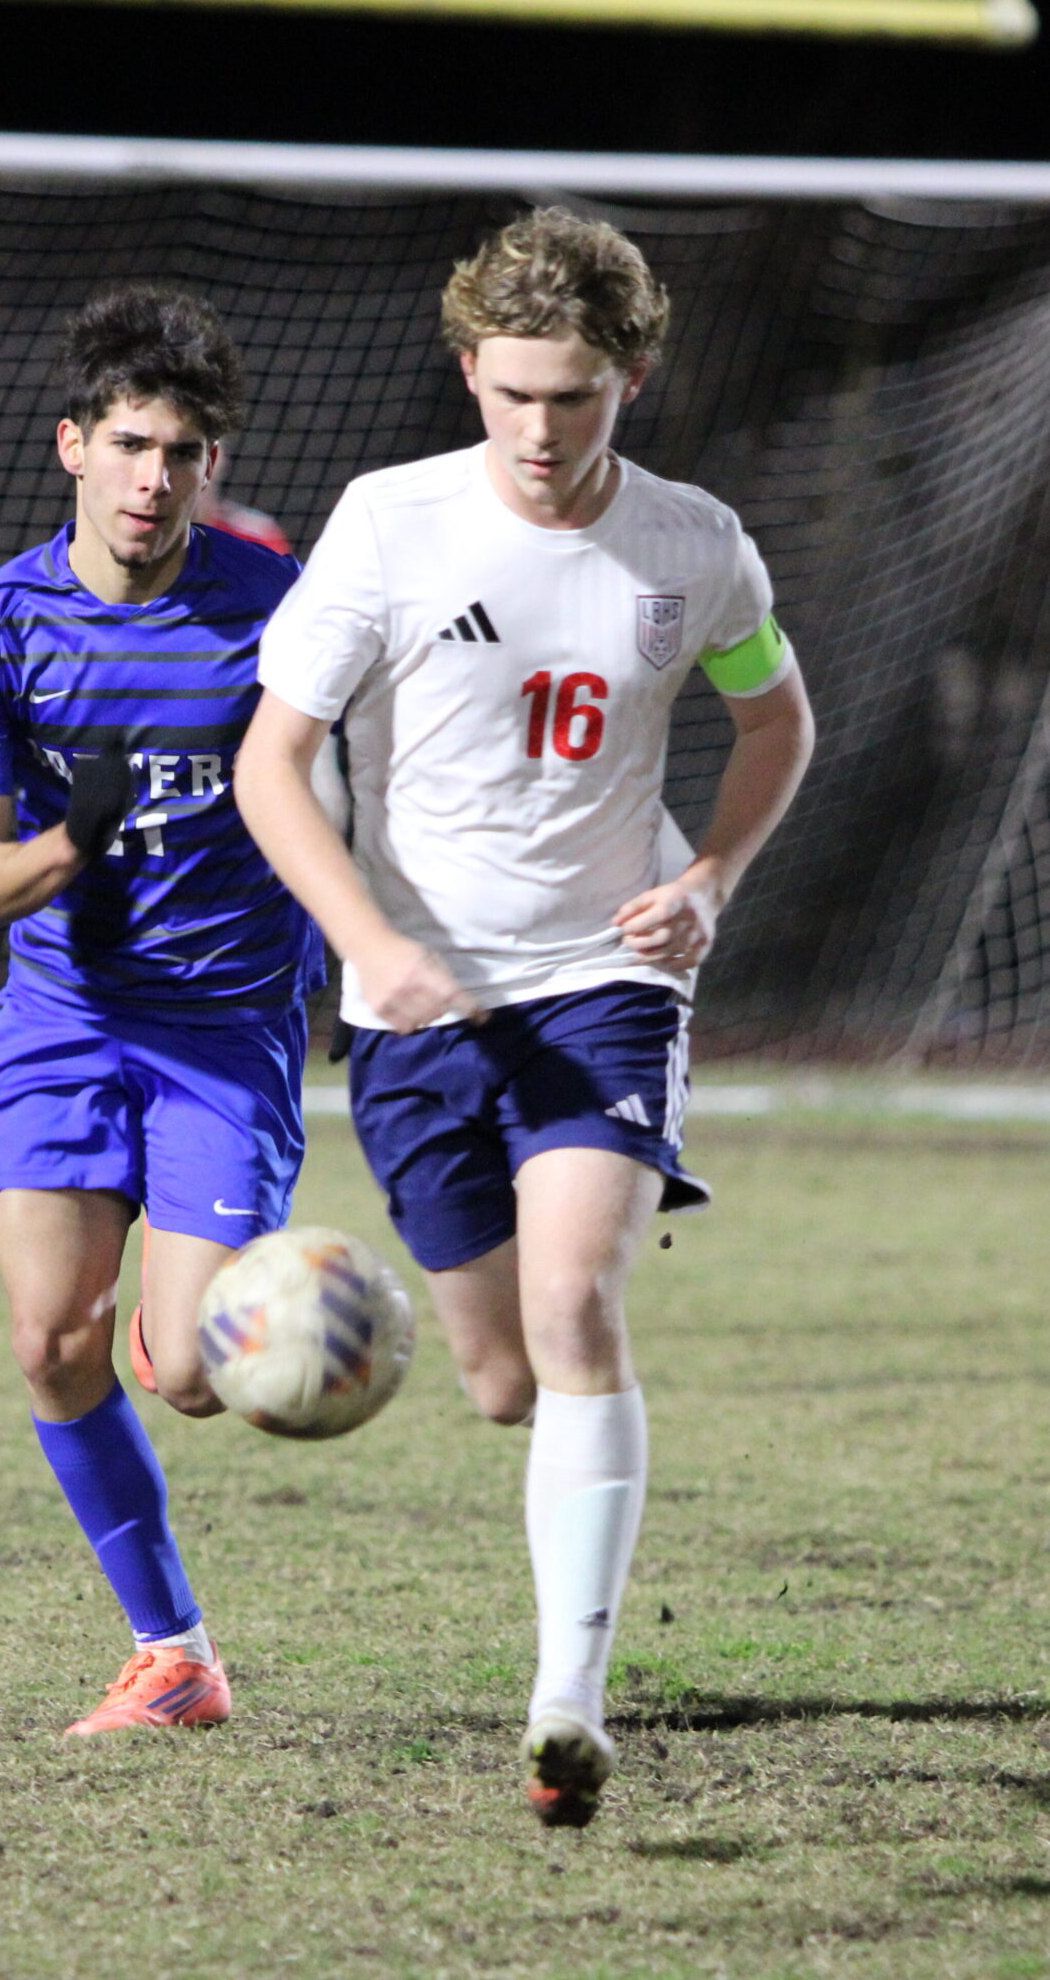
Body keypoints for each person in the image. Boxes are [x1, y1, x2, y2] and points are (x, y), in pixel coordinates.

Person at [233, 207, 815, 1825]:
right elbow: (269, 764)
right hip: (418, 995)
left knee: (575, 1308)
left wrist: (706, 876)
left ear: (629, 376)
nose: (538, 433)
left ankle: (568, 1699)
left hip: (603, 980)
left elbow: (775, 719)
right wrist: (366, 940)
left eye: (572, 397)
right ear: (468, 374)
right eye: (507, 396)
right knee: (497, 1380)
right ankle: (534, 1511)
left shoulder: (696, 545)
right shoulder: (386, 525)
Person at [0, 284, 323, 1736]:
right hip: (64, 1019)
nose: (157, 477)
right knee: (49, 1343)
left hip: (225, 1031)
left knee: (197, 1385)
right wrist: (65, 845)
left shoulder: (281, 614)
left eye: (185, 451)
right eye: (133, 445)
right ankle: (175, 1657)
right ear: (73, 447)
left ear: (213, 465)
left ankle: (206, 1324)